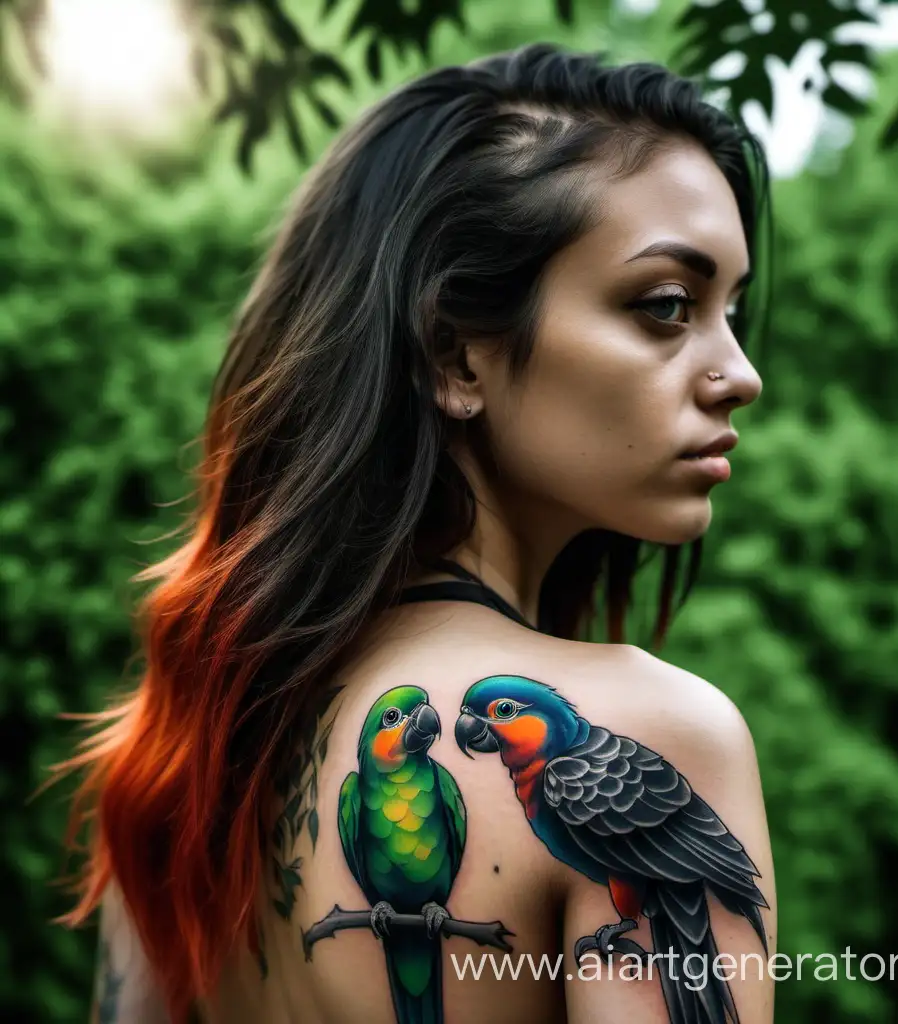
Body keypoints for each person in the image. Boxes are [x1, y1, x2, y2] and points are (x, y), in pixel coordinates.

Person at [63, 42, 775, 1024]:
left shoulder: (188, 756)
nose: (740, 371)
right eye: (666, 306)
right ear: (455, 352)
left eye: (731, 312)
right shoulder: (651, 732)